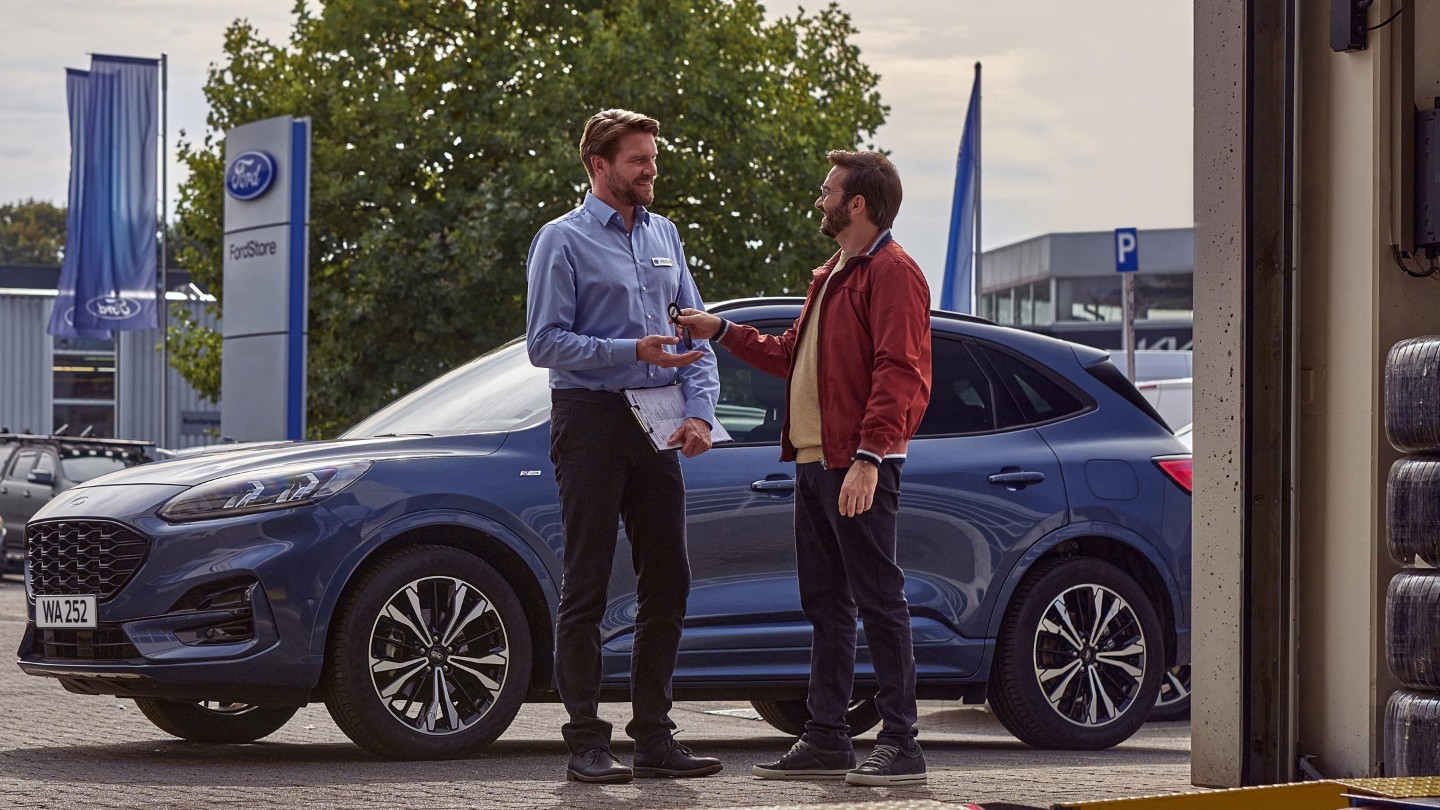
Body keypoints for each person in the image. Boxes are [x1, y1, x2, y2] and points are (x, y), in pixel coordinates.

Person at [676, 150, 932, 786]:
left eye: (827, 193)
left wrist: (871, 458)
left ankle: (902, 744)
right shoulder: (832, 275)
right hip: (816, 463)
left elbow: (900, 372)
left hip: (860, 464)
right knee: (825, 603)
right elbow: (791, 355)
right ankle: (826, 738)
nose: (818, 202)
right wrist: (722, 331)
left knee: (879, 600)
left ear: (857, 205)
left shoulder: (894, 273)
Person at [526, 109, 723, 784]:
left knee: (668, 579)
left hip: (659, 422)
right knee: (586, 582)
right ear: (599, 166)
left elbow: (694, 336)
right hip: (590, 418)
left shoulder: (666, 235)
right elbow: (543, 343)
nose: (651, 170)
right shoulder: (563, 241)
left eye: (653, 159)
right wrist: (626, 350)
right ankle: (585, 742)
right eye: (639, 160)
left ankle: (655, 739)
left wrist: (699, 414)